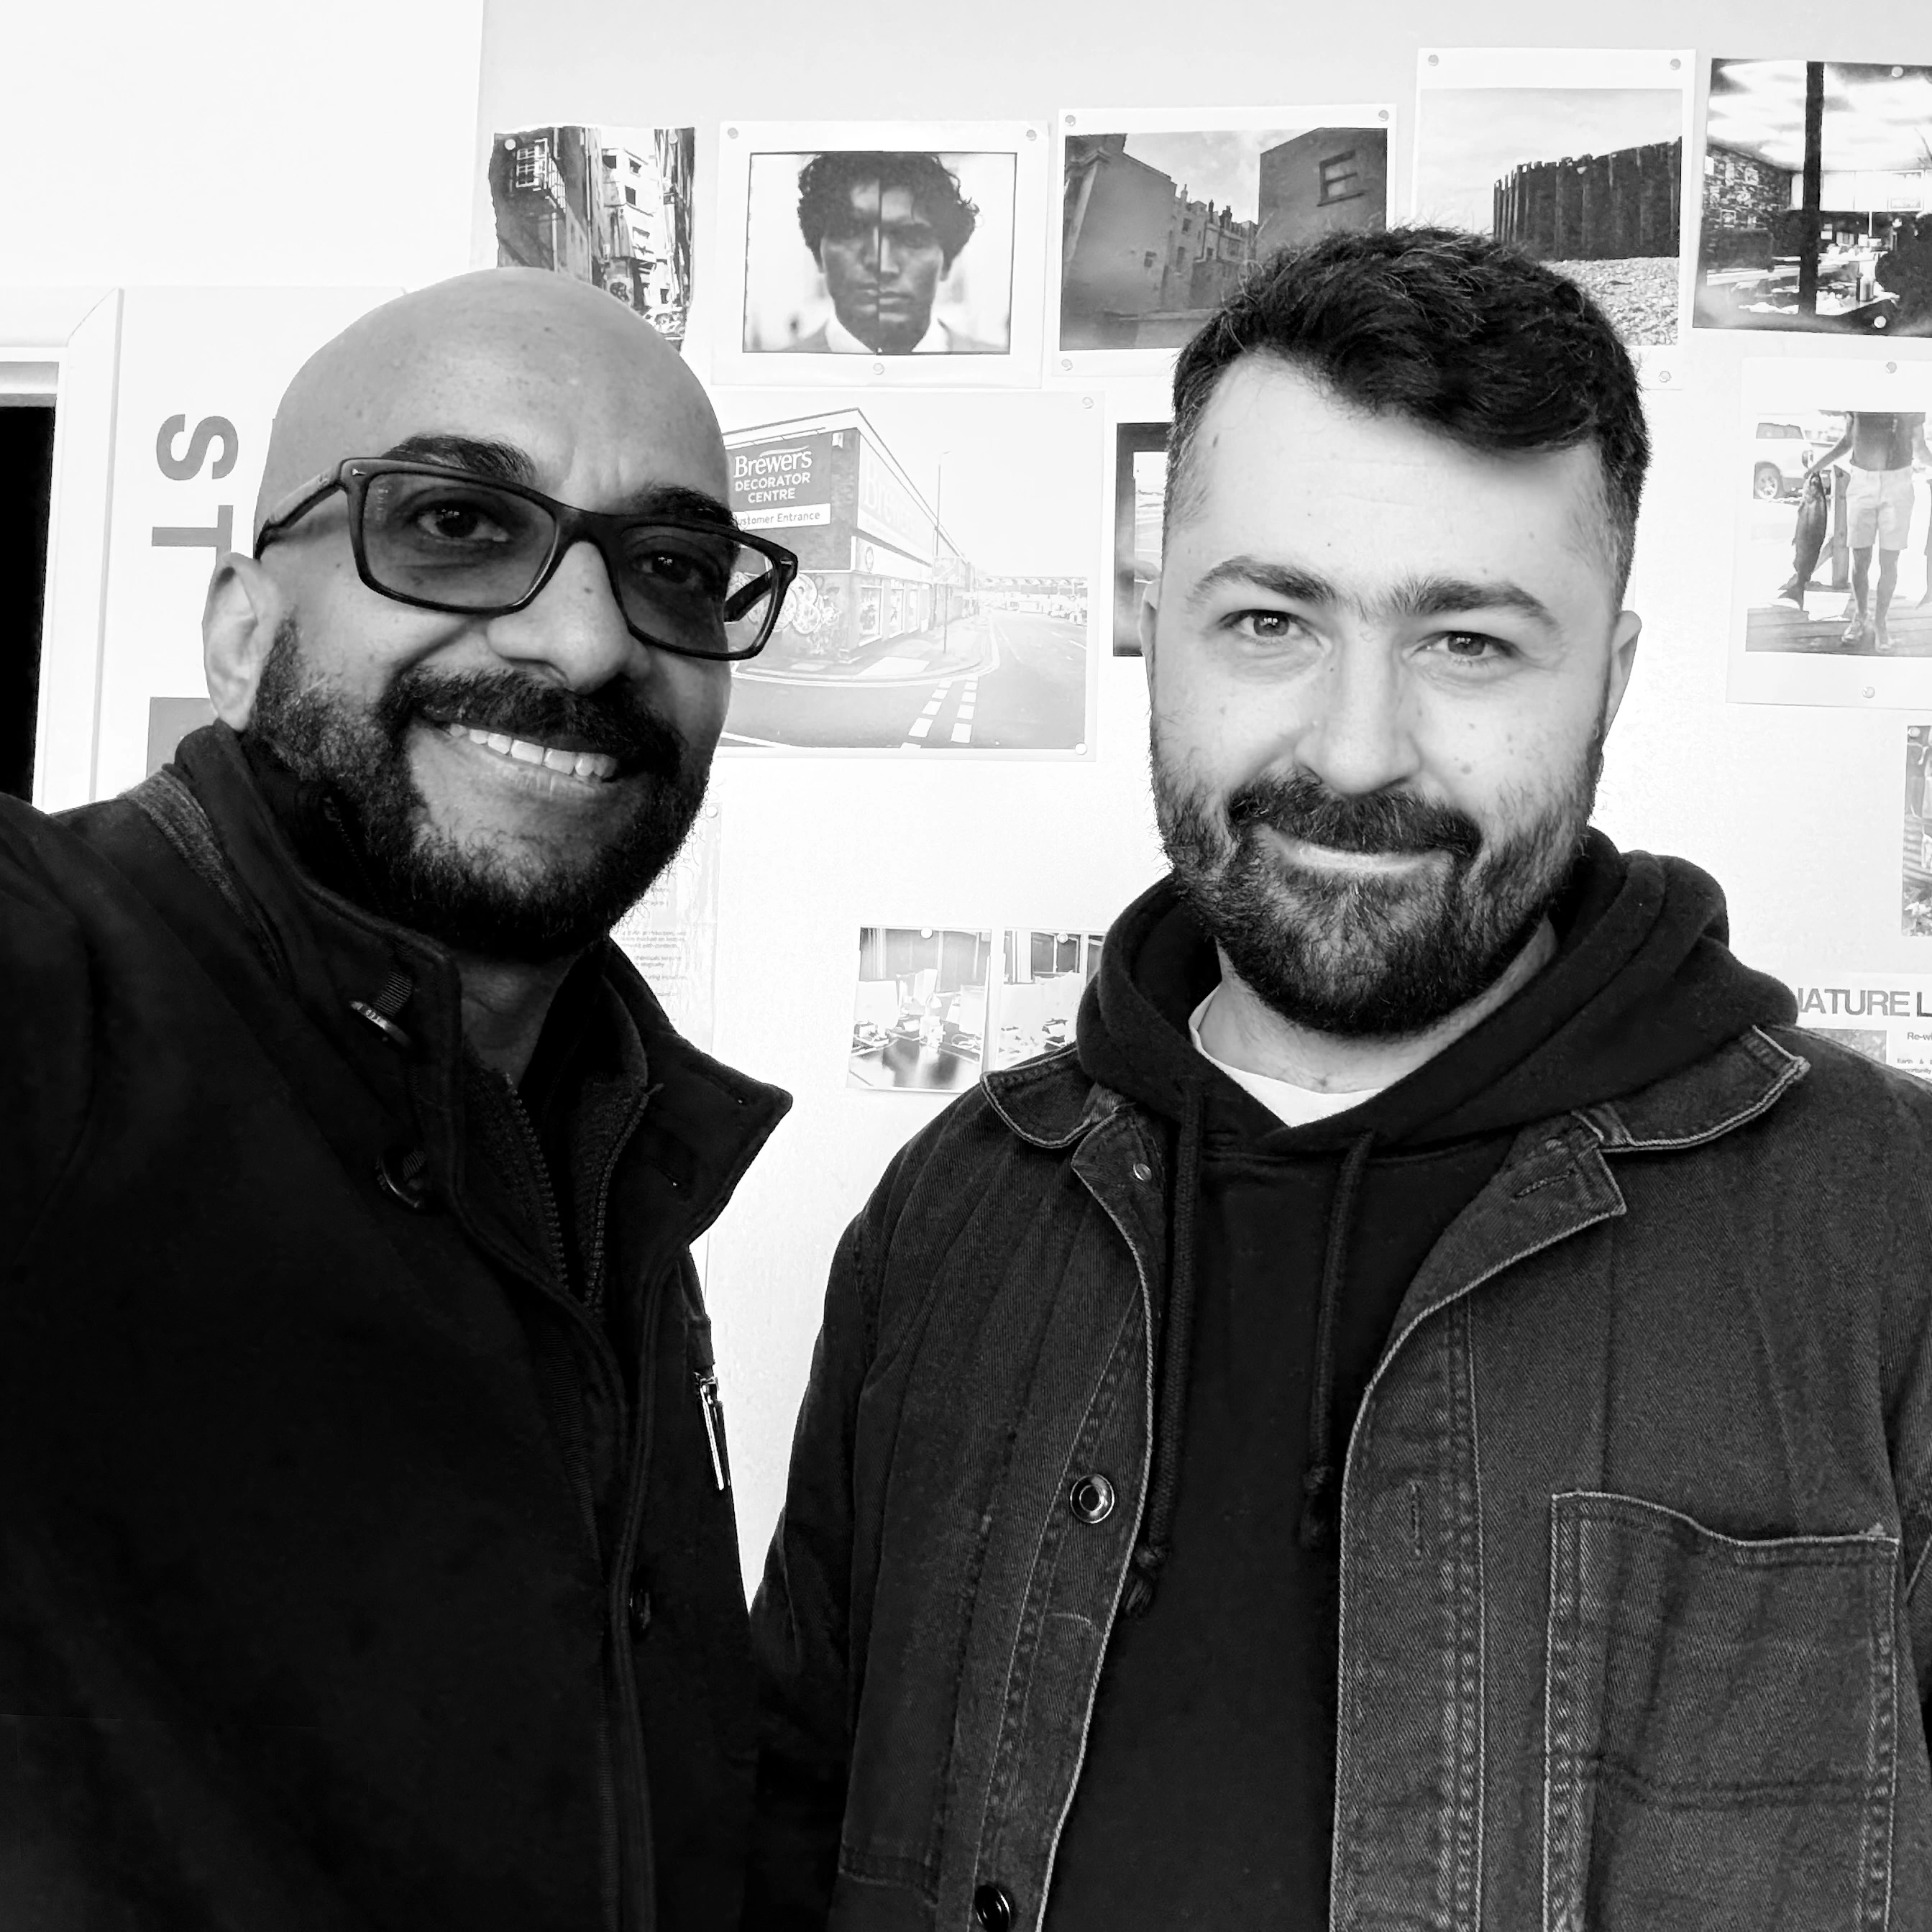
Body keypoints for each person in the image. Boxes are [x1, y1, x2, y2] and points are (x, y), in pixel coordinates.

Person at [746, 228, 1932, 1930]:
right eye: (1266, 618)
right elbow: (786, 1828)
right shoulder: (952, 1215)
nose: (1356, 746)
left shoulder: (1883, 1231)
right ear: (1156, 631)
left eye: (1465, 641)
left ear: (1607, 675)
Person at [0, 270, 801, 1930]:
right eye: (451, 521)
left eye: (667, 566)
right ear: (238, 629)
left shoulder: (609, 1140)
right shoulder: (71, 984)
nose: (582, 638)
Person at [782, 151, 997, 355]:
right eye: (850, 233)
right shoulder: (769, 378)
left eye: (912, 239)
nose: (881, 265)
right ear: (819, 255)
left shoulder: (1007, 377)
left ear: (947, 261)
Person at [1810, 409, 1931, 650]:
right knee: (1860, 558)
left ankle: (1881, 622)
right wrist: (1816, 466)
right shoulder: (1860, 399)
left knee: (1890, 561)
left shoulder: (1909, 402)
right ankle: (1861, 615)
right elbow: (1848, 440)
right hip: (1862, 481)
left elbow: (1919, 447)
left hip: (1898, 483)